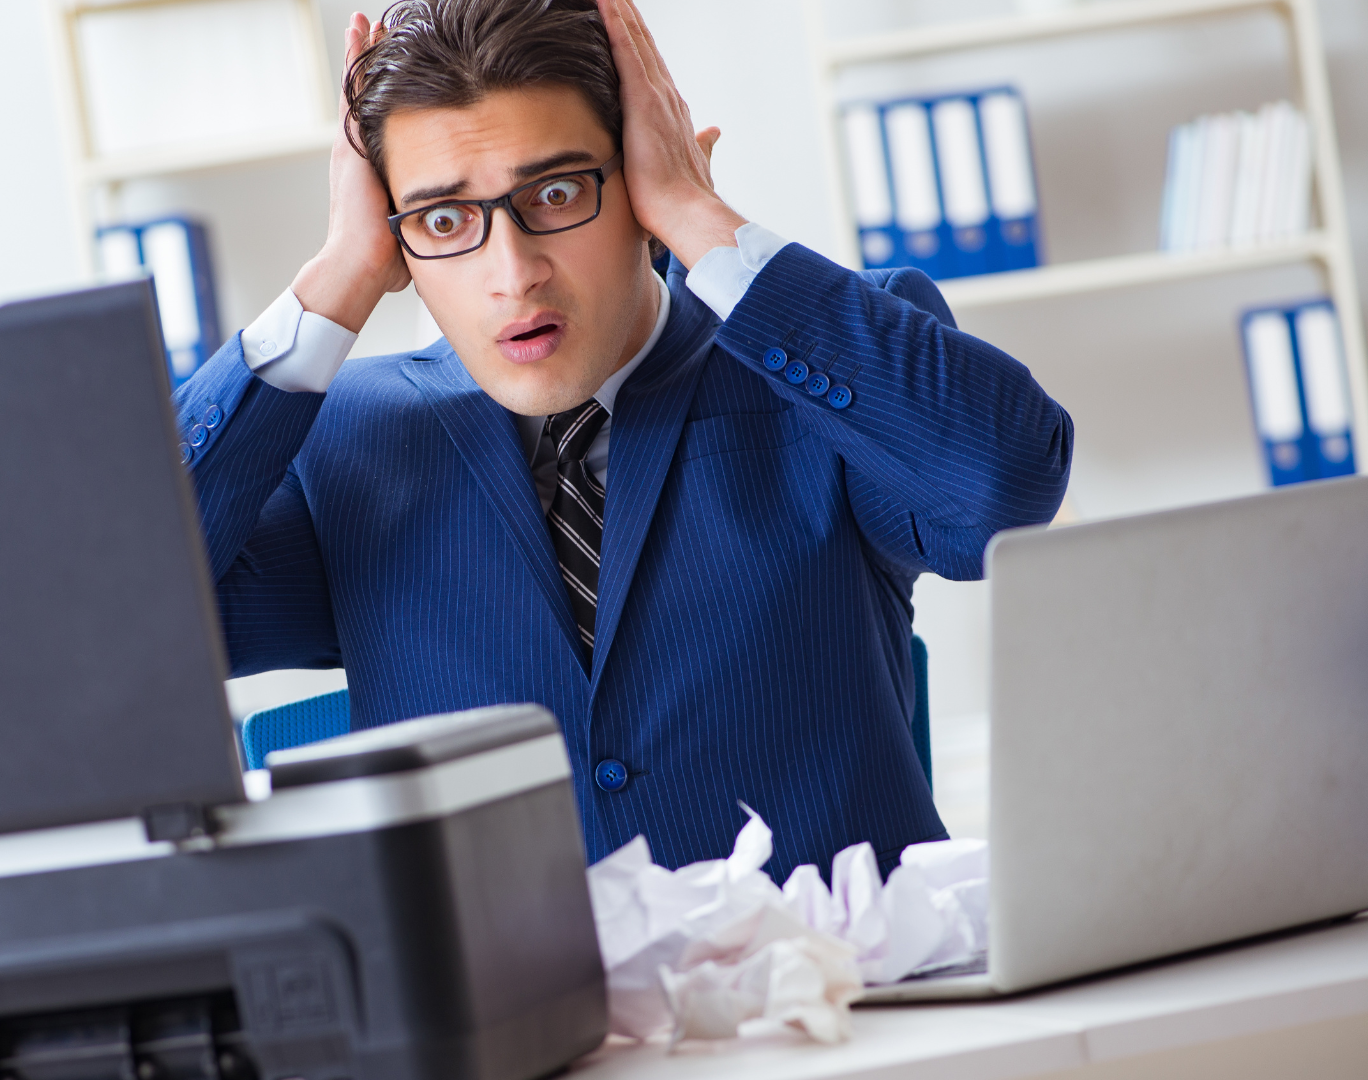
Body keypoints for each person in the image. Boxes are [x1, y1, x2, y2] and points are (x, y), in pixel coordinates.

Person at [171, 0, 1070, 878]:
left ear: (640, 179)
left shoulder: (815, 366)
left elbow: (1000, 490)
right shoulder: (346, 442)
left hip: (846, 1005)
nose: (513, 274)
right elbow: (127, 623)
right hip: (524, 1018)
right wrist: (334, 283)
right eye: (444, 220)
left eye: (558, 192)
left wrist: (698, 217)